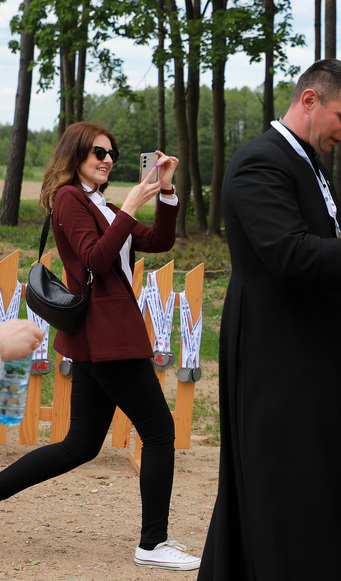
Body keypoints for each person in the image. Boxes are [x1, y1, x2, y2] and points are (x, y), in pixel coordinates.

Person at [198, 58, 341, 580]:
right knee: (282, 485)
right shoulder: (261, 162)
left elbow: (331, 237)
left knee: (306, 483)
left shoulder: (304, 161)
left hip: (306, 354)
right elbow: (291, 254)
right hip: (275, 355)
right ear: (309, 101)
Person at [0, 122, 201, 570]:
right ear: (76, 155)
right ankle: (152, 545)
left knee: (79, 445)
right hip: (108, 338)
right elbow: (93, 258)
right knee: (160, 433)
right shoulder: (69, 200)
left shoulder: (101, 204)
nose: (107, 159)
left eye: (112, 152)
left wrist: (165, 193)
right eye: (98, 151)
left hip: (100, 338)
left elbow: (158, 241)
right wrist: (128, 207)